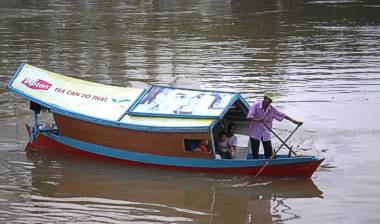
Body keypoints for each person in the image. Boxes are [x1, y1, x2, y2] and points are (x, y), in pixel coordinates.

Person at [247, 91, 303, 159]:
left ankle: (270, 163)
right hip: (255, 132)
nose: (269, 103)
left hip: (265, 133)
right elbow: (249, 117)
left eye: (271, 101)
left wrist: (295, 122)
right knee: (255, 154)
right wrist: (257, 120)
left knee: (269, 154)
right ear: (264, 98)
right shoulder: (255, 105)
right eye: (269, 101)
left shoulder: (271, 109)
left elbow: (282, 115)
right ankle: (255, 163)